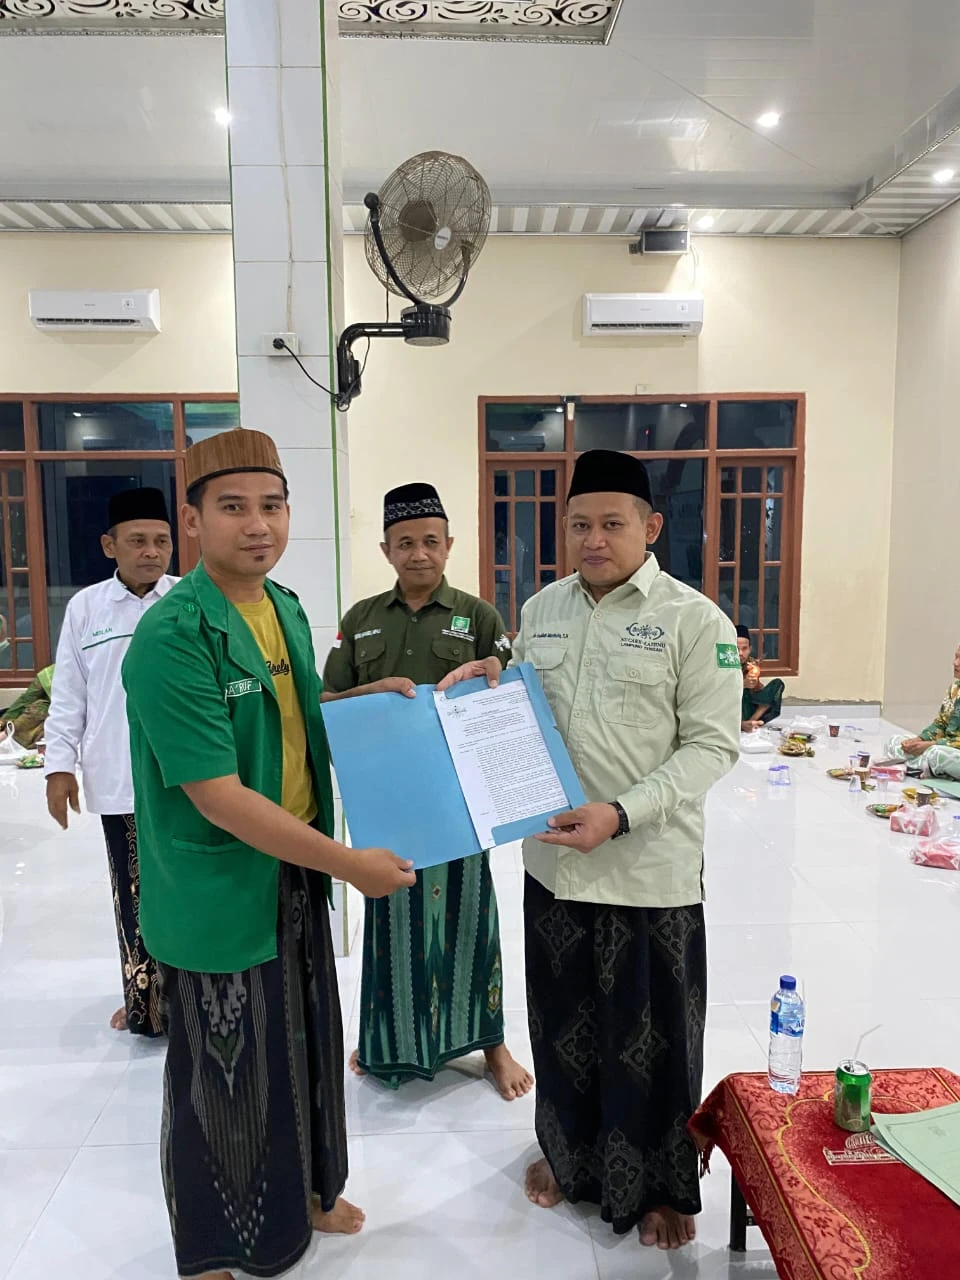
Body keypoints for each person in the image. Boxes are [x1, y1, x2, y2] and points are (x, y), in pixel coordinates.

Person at [122, 428, 415, 1280]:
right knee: (224, 1073)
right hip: (219, 885)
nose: (258, 524)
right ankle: (214, 1250)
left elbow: (301, 710)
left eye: (273, 505)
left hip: (290, 869)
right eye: (233, 507)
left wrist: (370, 697)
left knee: (305, 1040)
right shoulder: (173, 635)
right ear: (192, 521)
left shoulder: (281, 605)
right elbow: (218, 795)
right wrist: (348, 865)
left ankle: (310, 1196)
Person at [438, 449, 742, 1252]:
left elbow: (713, 747)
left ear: (651, 527)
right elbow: (521, 702)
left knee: (653, 1037)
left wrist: (622, 812)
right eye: (579, 525)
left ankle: (662, 1186)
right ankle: (569, 1157)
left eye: (612, 524)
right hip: (555, 866)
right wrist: (492, 675)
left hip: (648, 871)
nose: (593, 539)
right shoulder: (541, 610)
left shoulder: (694, 621)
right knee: (563, 1023)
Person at [322, 482, 532, 1100]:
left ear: (449, 545)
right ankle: (389, 1040)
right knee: (390, 912)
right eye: (406, 543)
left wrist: (494, 674)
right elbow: (327, 700)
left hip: (461, 795)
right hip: (387, 795)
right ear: (386, 550)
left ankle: (491, 1045)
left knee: (472, 915)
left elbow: (509, 694)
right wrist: (369, 692)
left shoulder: (479, 616)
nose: (419, 553)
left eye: (431, 542)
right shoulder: (361, 621)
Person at [44, 487, 176, 1036]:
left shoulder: (187, 599)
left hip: (184, 781)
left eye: (162, 541)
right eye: (138, 541)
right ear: (109, 545)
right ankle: (145, 1001)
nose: (152, 552)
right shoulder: (87, 608)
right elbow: (69, 694)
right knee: (133, 894)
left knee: (184, 890)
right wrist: (59, 767)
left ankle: (190, 999)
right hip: (118, 778)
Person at [884, 643, 960, 779]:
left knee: (937, 754)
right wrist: (918, 740)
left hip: (949, 751)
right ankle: (930, 769)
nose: (955, 663)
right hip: (943, 747)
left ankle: (920, 767)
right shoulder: (954, 689)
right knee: (895, 742)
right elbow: (940, 724)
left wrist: (929, 745)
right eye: (956, 657)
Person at [737, 624, 785, 732]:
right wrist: (742, 684)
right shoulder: (725, 666)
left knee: (777, 684)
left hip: (750, 704)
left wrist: (756, 686)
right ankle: (742, 725)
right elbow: (720, 692)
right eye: (736, 649)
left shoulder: (751, 663)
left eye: (744, 649)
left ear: (750, 649)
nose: (740, 653)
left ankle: (753, 721)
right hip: (734, 707)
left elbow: (756, 690)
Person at [5, 664, 54, 747]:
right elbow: (25, 700)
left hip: (67, 719)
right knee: (39, 708)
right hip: (49, 717)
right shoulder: (48, 674)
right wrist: (3, 722)